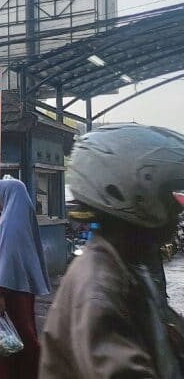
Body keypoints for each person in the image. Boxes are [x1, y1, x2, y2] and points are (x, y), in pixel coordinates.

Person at [40, 124, 184, 378]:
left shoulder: (126, 268)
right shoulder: (99, 285)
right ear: (135, 197)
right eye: (167, 197)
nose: (177, 214)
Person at [0, 178, 51, 379]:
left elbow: (7, 258)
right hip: (19, 291)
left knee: (2, 344)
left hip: (5, 293)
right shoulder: (21, 219)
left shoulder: (10, 223)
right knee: (16, 339)